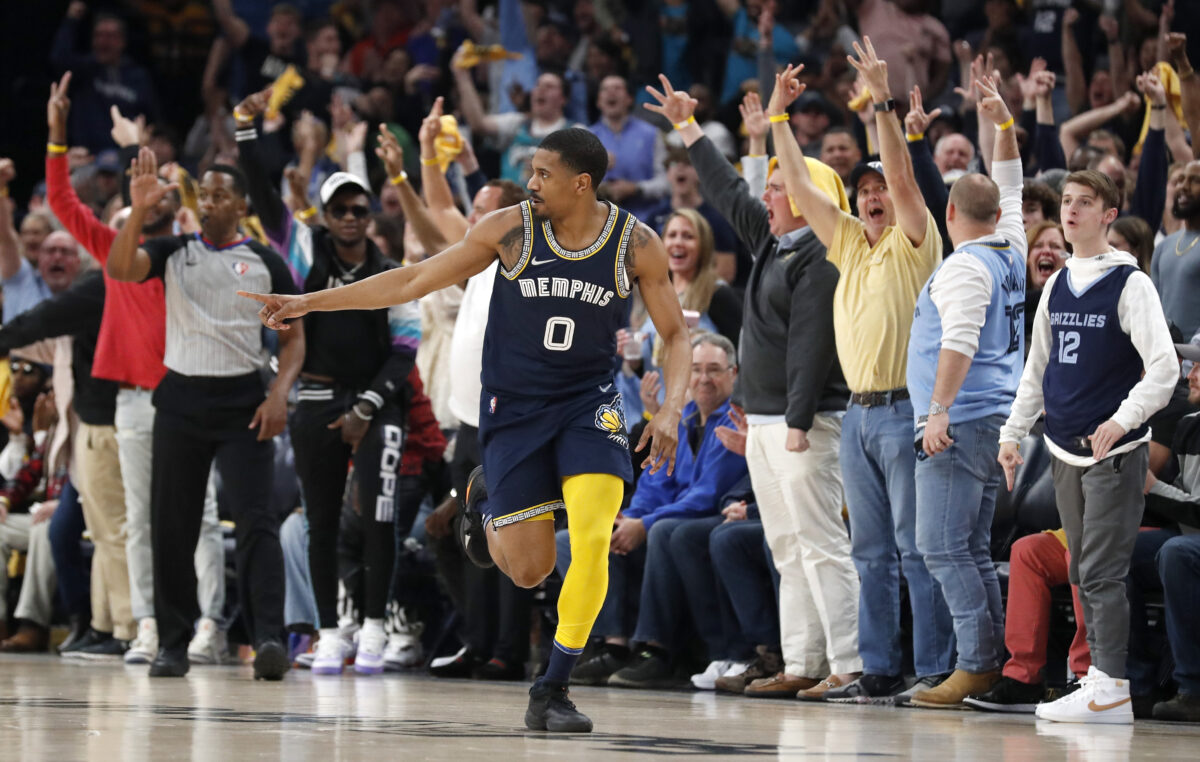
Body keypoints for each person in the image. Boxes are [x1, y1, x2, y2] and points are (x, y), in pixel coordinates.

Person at [240, 127, 690, 733]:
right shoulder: (509, 229)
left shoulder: (637, 244)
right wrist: (308, 303)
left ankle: (552, 688)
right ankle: (485, 501)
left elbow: (678, 336)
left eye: (544, 174)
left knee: (590, 537)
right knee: (529, 570)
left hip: (591, 403)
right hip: (515, 410)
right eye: (530, 172)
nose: (531, 183)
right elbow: (411, 280)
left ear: (581, 183)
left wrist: (670, 409)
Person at [761, 44, 951, 704]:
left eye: (878, 193)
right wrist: (778, 122)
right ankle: (878, 668)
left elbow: (903, 178)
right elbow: (803, 188)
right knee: (868, 551)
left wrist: (880, 106)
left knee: (913, 548)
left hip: (906, 409)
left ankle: (930, 668)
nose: (874, 197)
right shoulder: (844, 242)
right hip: (858, 417)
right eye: (863, 192)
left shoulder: (913, 238)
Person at [234, 86, 422, 677]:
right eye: (339, 209)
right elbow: (265, 200)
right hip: (315, 396)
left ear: (371, 216)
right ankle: (330, 630)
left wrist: (368, 406)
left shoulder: (391, 273)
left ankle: (372, 628)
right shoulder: (305, 250)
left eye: (359, 210)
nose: (348, 218)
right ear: (327, 213)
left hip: (376, 403)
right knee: (317, 521)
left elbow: (406, 350)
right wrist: (246, 133)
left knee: (379, 517)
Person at [42, 74, 228, 667]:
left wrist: (141, 155)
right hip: (130, 401)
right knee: (143, 519)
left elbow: (201, 202)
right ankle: (148, 623)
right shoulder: (116, 252)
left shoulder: (193, 249)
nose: (156, 197)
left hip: (187, 396)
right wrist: (56, 136)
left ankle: (208, 624)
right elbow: (62, 203)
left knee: (198, 516)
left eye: (164, 194)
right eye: (142, 195)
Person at [107, 149, 304, 680]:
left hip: (243, 402)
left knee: (256, 523)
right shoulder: (174, 251)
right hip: (181, 400)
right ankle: (172, 642)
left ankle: (268, 638)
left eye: (221, 194)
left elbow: (293, 341)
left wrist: (279, 394)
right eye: (204, 194)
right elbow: (120, 269)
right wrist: (136, 208)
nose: (210, 202)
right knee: (172, 526)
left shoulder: (266, 260)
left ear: (241, 204)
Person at [997, 169, 1177, 724]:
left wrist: (1122, 421)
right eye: (1066, 201)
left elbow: (1165, 369)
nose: (1071, 210)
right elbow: (1037, 370)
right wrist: (1010, 434)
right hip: (1062, 448)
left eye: (1084, 203)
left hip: (1114, 452)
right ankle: (1098, 680)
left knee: (1100, 569)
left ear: (1108, 214)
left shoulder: (1132, 283)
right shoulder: (1056, 283)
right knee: (1080, 569)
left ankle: (1112, 686)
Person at [904, 76, 1027, 709]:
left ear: (949, 214)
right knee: (971, 549)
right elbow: (1010, 181)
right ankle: (988, 662)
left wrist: (936, 411)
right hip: (995, 418)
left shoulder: (964, 267)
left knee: (941, 546)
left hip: (961, 421)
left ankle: (976, 664)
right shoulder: (1012, 245)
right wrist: (1003, 126)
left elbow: (960, 342)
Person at [564, 334, 747, 688]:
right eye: (695, 370)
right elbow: (653, 483)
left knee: (664, 533)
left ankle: (655, 649)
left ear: (733, 374)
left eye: (714, 370)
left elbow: (707, 495)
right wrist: (631, 518)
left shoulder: (734, 421)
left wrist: (645, 524)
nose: (703, 378)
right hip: (668, 516)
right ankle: (611, 644)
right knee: (576, 537)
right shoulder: (678, 420)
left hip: (710, 517)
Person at [1147, 343, 1200, 722]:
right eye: (1191, 365)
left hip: (1188, 543)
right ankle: (1131, 683)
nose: (1191, 374)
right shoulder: (1187, 425)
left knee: (1177, 554)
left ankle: (1192, 688)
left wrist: (1150, 487)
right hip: (1187, 535)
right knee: (1112, 552)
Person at [1151, 160, 1200, 338]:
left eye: (1195, 181)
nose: (1183, 187)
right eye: (1180, 180)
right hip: (1165, 358)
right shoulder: (1163, 246)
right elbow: (1152, 309)